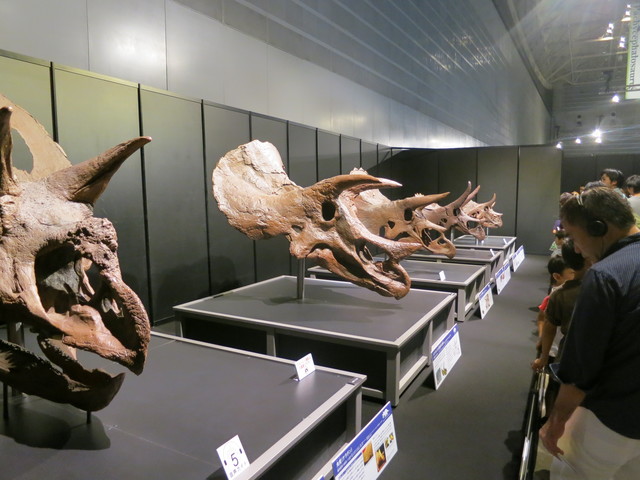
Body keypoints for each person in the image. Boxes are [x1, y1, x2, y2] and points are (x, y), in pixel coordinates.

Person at [539, 187, 640, 478]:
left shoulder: (604, 275)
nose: (575, 248)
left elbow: (581, 366)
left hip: (608, 419)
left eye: (573, 236)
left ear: (598, 228)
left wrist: (556, 420)